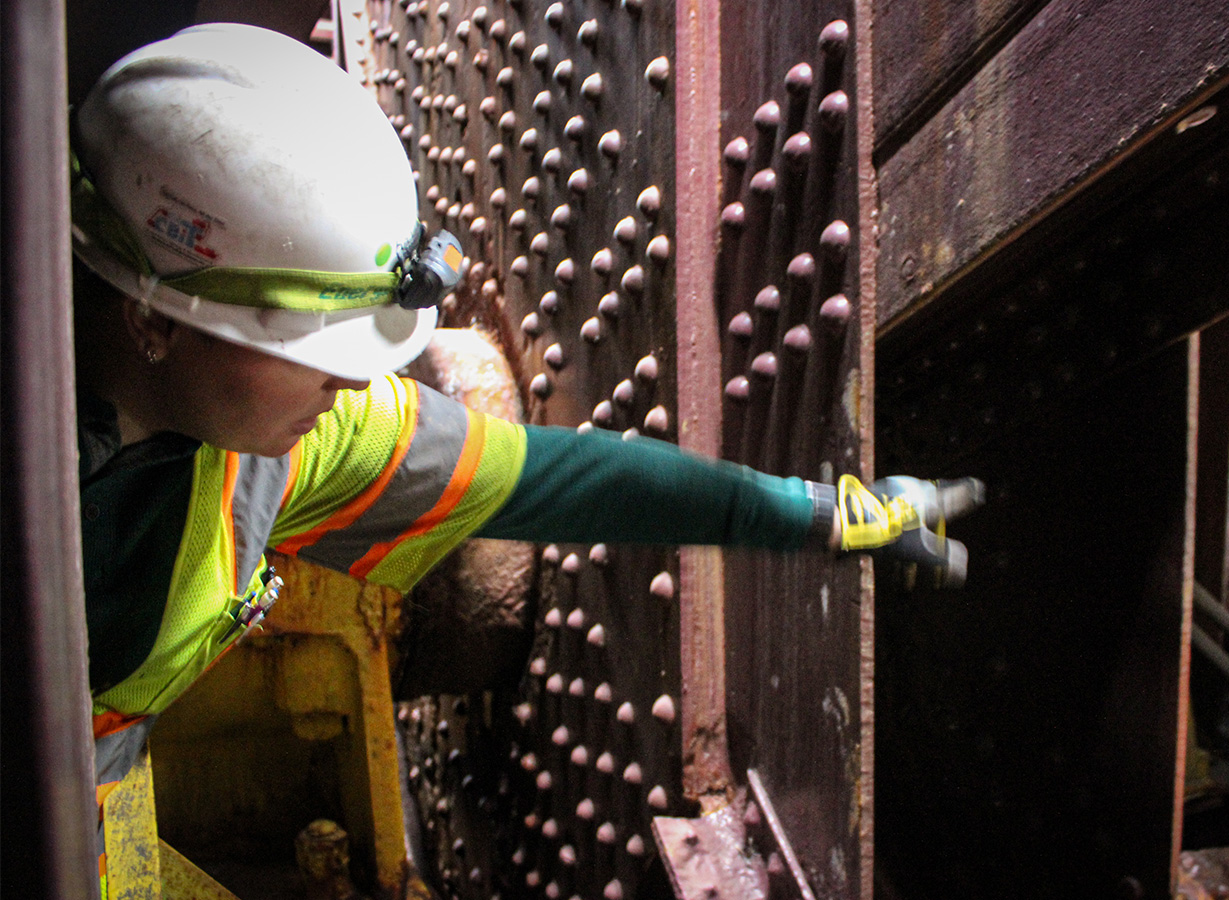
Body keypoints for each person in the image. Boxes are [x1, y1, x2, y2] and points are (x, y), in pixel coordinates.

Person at [70, 23, 983, 896]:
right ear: (154, 316)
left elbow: (558, 476)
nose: (351, 390)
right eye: (324, 358)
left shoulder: (275, 446)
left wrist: (817, 514)